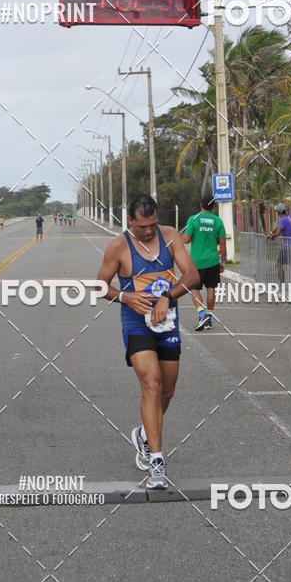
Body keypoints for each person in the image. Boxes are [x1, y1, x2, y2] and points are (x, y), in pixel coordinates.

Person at [96, 193, 199, 489]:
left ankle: (143, 433)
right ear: (130, 221)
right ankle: (156, 461)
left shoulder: (170, 237)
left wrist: (168, 296)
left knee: (167, 390)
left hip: (167, 322)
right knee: (151, 383)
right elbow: (100, 285)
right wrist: (125, 297)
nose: (149, 231)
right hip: (136, 323)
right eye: (142, 226)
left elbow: (192, 276)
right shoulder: (119, 246)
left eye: (153, 224)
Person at [183, 194, 227, 331]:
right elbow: (223, 244)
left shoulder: (193, 219)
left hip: (196, 262)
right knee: (211, 289)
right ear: (213, 206)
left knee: (194, 289)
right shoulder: (218, 221)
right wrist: (223, 261)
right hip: (213, 261)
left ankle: (202, 315)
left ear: (201, 205)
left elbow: (186, 240)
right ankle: (209, 317)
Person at [268, 203, 291, 283]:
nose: (277, 213)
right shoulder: (289, 217)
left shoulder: (282, 219)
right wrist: (270, 232)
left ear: (280, 212)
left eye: (277, 211)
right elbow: (278, 227)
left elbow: (278, 233)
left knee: (279, 265)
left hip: (286, 246)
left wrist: (271, 237)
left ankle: (282, 284)